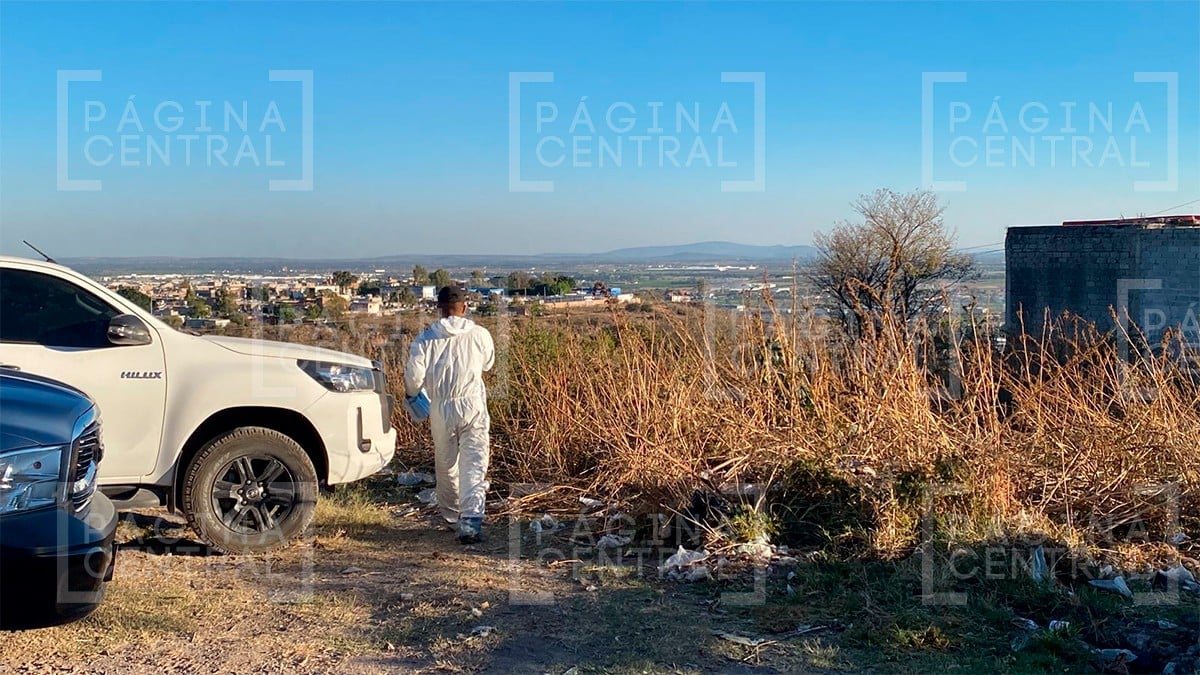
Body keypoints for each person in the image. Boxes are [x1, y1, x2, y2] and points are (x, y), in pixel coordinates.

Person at [404, 285, 495, 544]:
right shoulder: (480, 334)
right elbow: (488, 364)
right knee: (475, 462)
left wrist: (412, 395)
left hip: (441, 406)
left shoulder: (425, 340)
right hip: (473, 404)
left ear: (439, 309)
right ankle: (471, 520)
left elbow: (413, 379)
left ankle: (452, 515)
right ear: (465, 307)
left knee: (446, 463)